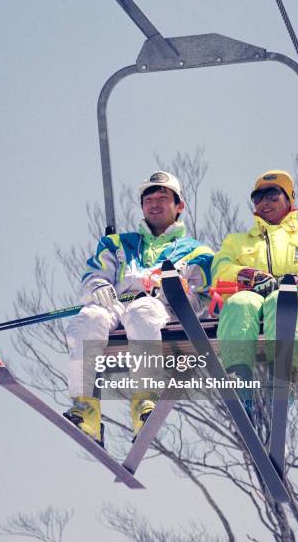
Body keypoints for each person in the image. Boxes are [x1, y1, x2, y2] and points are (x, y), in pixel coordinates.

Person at [65, 171, 214, 444]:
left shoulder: (198, 253)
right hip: (116, 305)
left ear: (179, 205)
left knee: (142, 310)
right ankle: (85, 407)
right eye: (148, 199)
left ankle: (144, 403)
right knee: (86, 319)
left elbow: (204, 301)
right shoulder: (118, 244)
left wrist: (178, 293)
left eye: (163, 198)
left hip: (158, 310)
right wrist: (98, 287)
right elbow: (93, 275)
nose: (154, 204)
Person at [211, 169, 298, 411]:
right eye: (257, 198)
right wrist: (248, 276)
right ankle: (238, 380)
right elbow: (220, 270)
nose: (264, 203)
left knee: (283, 300)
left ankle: (281, 375)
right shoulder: (238, 241)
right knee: (239, 303)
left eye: (272, 196)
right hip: (253, 303)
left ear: (289, 198)